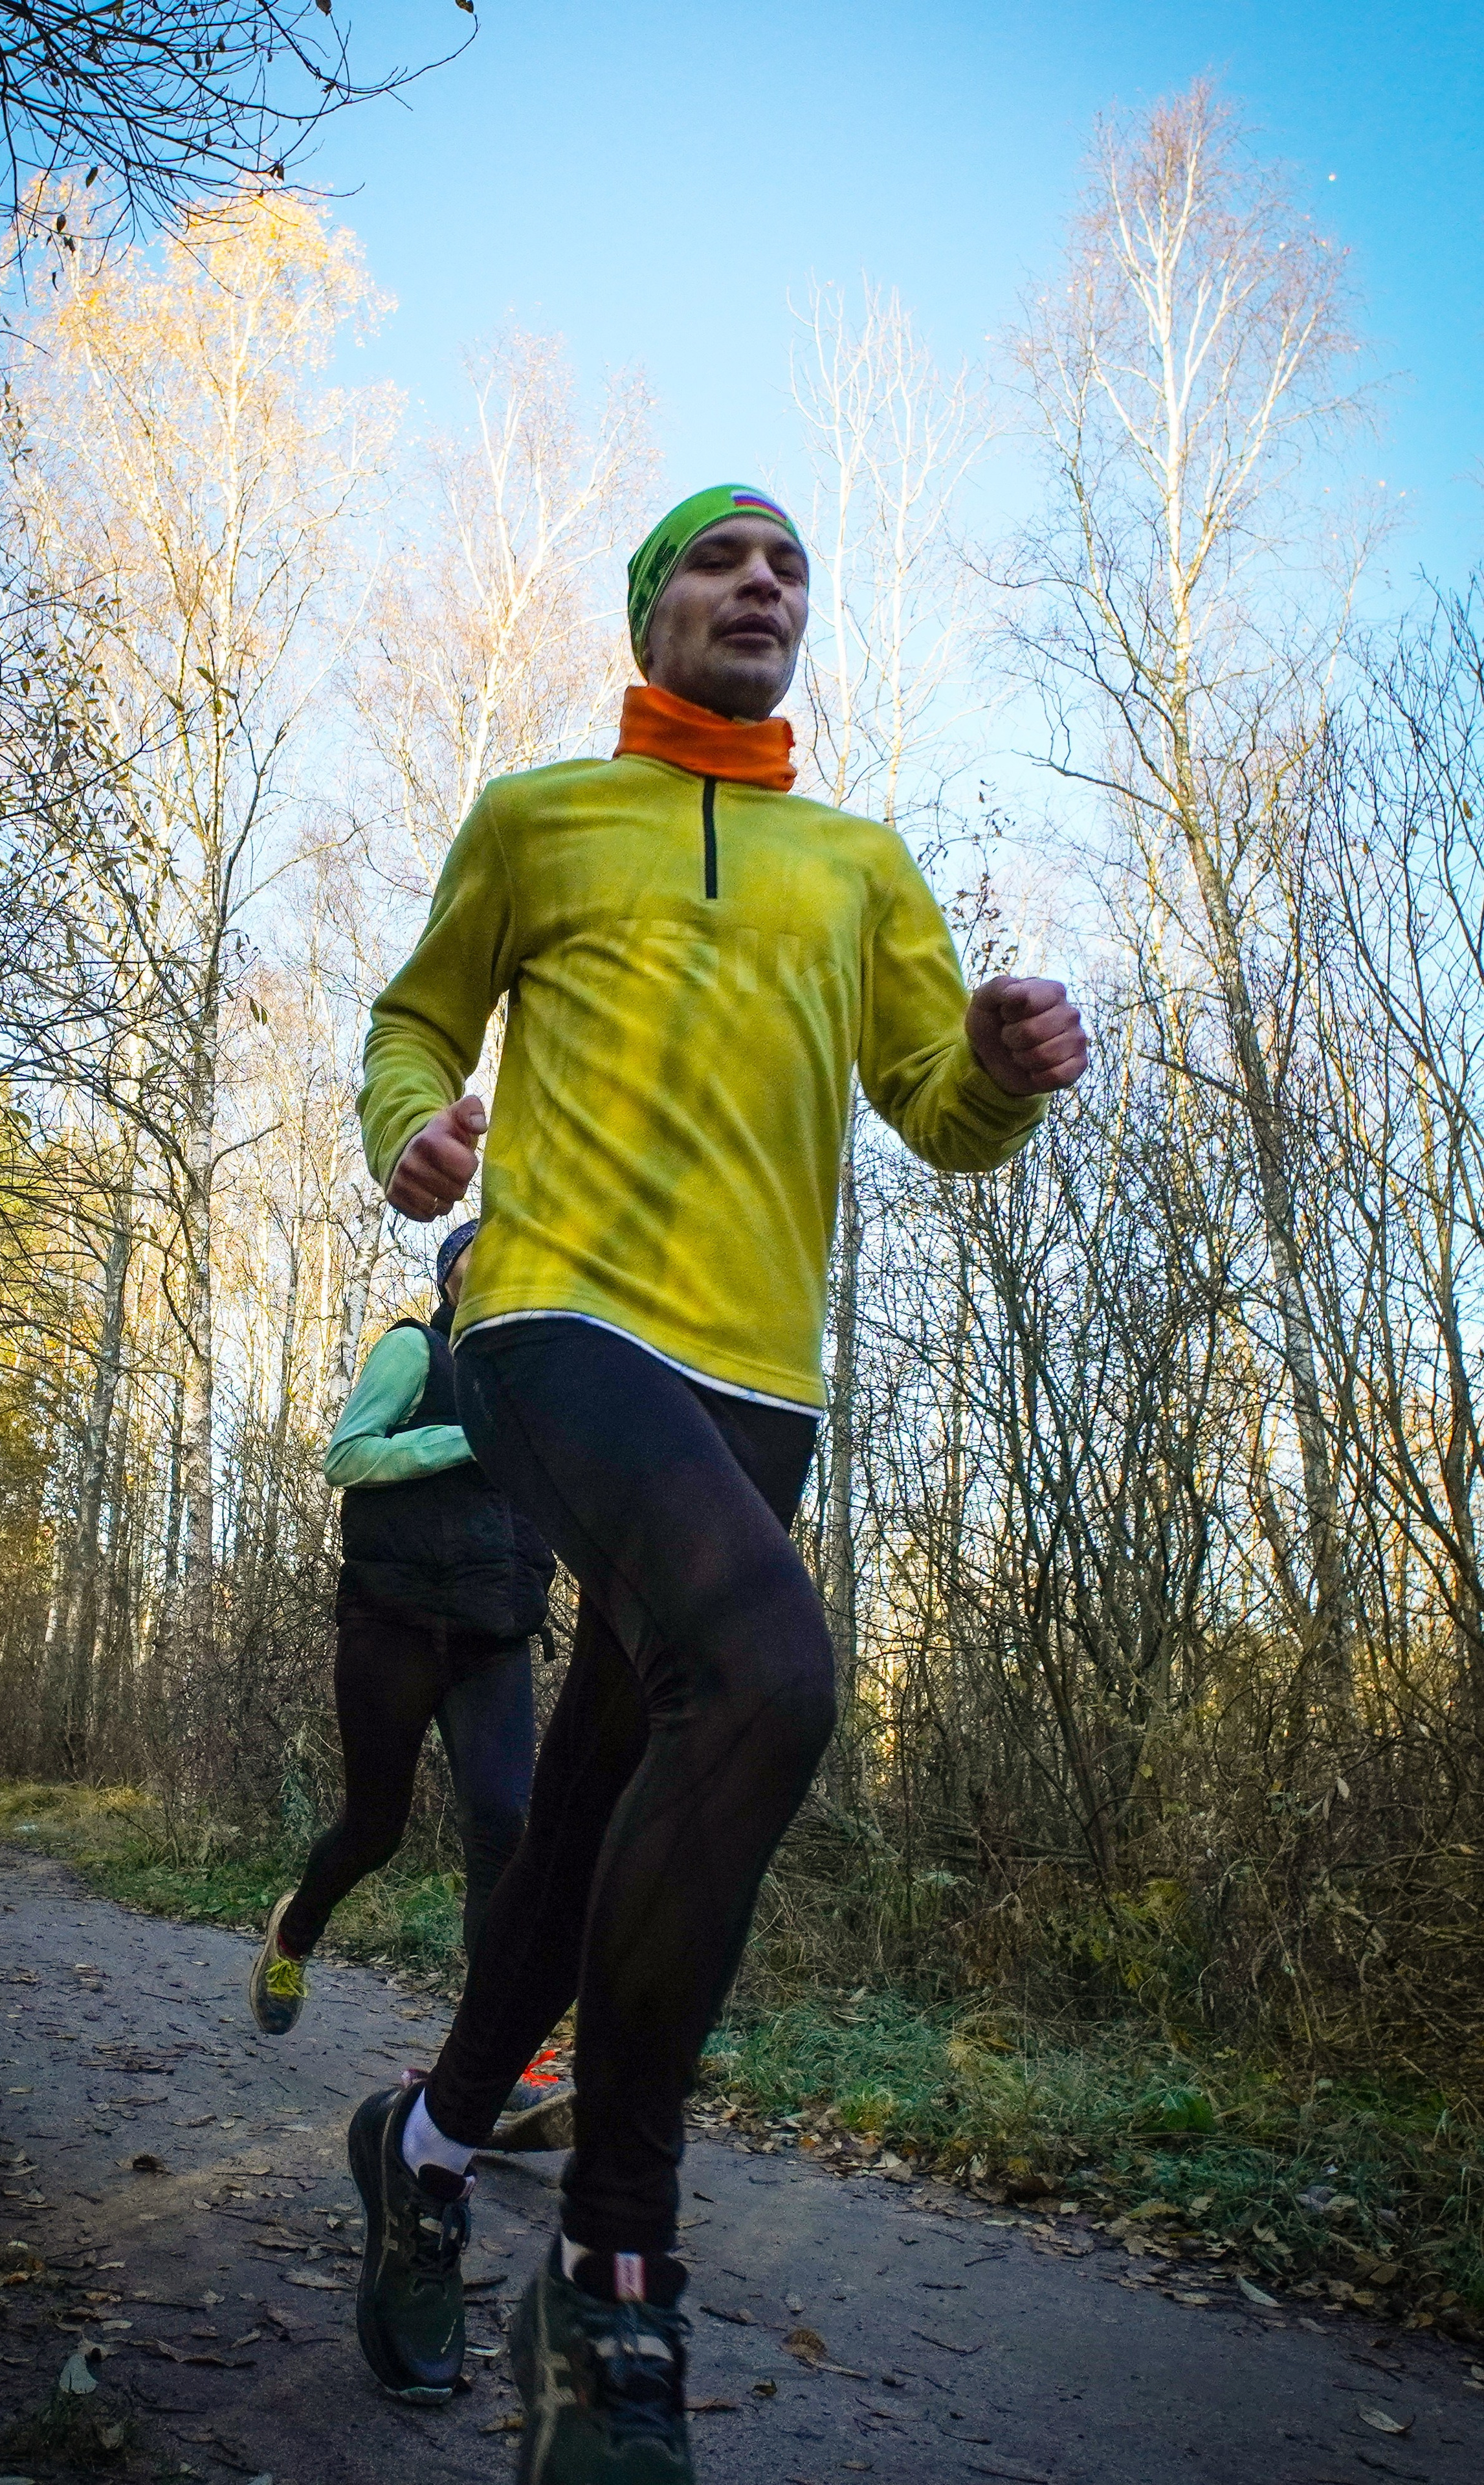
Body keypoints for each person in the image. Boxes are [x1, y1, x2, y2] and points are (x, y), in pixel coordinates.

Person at [345, 482, 1090, 2470]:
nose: (762, 581)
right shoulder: (537, 817)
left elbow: (934, 1107)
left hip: (759, 1389)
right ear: (647, 609)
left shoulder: (854, 866)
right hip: (555, 1325)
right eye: (718, 557)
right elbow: (416, 1013)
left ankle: (419, 2146)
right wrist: (415, 1125)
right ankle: (608, 2287)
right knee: (770, 1678)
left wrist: (1005, 1066)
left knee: (592, 1810)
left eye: (790, 567)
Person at [249, 1223, 557, 2040]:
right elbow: (347, 1455)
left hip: (494, 1636)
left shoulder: (537, 1386)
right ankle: (294, 1933)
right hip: (396, 1622)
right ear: (450, 1274)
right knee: (376, 1826)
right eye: (481, 1255)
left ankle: (490, 2054)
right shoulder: (418, 1350)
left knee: (503, 1828)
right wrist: (468, 1439)